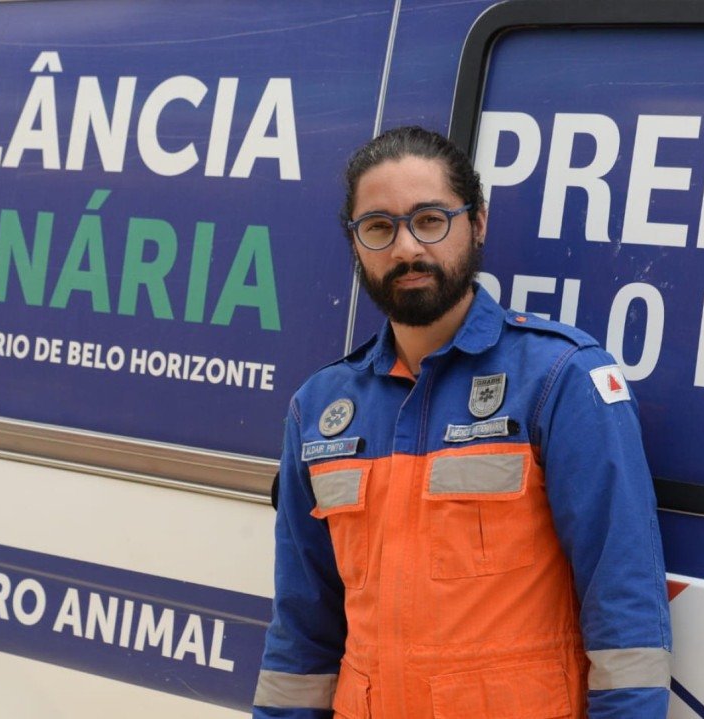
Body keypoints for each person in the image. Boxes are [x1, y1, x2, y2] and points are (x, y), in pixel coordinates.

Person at [251, 126, 671, 718]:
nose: (406, 249)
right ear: (355, 243)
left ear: (477, 224)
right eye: (378, 227)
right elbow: (301, 632)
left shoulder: (559, 380)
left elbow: (625, 609)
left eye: (430, 220)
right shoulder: (318, 408)